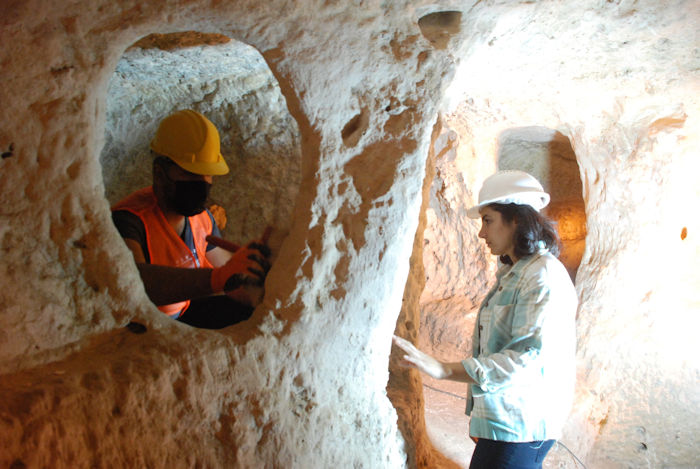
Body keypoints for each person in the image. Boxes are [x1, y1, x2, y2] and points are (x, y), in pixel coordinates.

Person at [393, 170, 577, 469]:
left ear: (516, 219)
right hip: (506, 420)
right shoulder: (515, 272)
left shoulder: (541, 276)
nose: (481, 232)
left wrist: (442, 369)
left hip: (520, 424)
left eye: (488, 220)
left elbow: (524, 361)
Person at [112, 109, 269, 329]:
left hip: (182, 311)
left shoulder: (202, 218)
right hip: (143, 326)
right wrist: (218, 278)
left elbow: (228, 269)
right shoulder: (129, 221)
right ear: (159, 174)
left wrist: (255, 270)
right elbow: (135, 284)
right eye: (190, 174)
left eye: (207, 175)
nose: (202, 185)